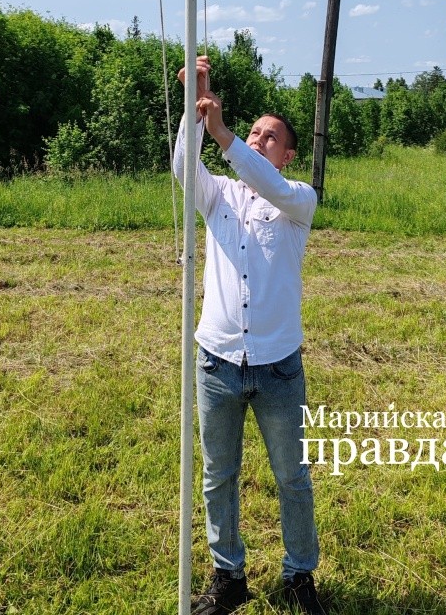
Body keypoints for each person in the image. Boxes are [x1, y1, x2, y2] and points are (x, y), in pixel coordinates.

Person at [174, 56, 326, 615]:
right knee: (219, 476)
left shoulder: (298, 200)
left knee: (292, 477)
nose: (259, 139)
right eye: (254, 131)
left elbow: (266, 181)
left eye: (270, 137)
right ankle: (228, 576)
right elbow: (183, 169)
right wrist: (196, 107)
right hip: (217, 361)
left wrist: (226, 135)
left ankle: (299, 575)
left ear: (288, 156)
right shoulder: (220, 195)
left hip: (278, 366)